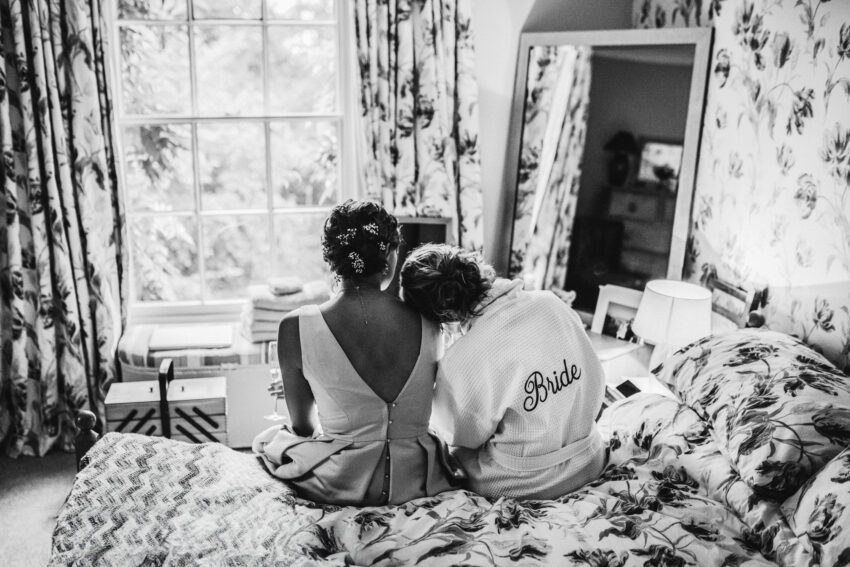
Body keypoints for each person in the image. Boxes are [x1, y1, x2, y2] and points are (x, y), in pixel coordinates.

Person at [253, 200, 456, 506]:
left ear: (332, 261)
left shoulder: (294, 327)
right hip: (420, 480)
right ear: (389, 258)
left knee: (268, 442)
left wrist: (315, 388)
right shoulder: (431, 321)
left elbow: (303, 428)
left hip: (341, 482)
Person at [400, 244, 606, 500]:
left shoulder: (464, 358)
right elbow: (597, 378)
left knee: (445, 453)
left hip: (531, 483)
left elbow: (461, 435)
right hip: (590, 458)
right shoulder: (551, 303)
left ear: (439, 316)